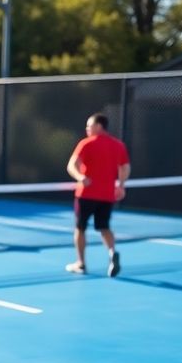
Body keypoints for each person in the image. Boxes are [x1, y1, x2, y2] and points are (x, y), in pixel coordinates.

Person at [65, 113, 131, 277]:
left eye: (90, 126)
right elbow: (125, 168)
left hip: (86, 194)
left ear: (99, 127)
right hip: (107, 196)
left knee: (80, 228)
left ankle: (81, 263)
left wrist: (80, 177)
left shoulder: (86, 144)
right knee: (104, 227)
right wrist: (121, 186)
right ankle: (112, 252)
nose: (87, 129)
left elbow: (71, 165)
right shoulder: (119, 145)